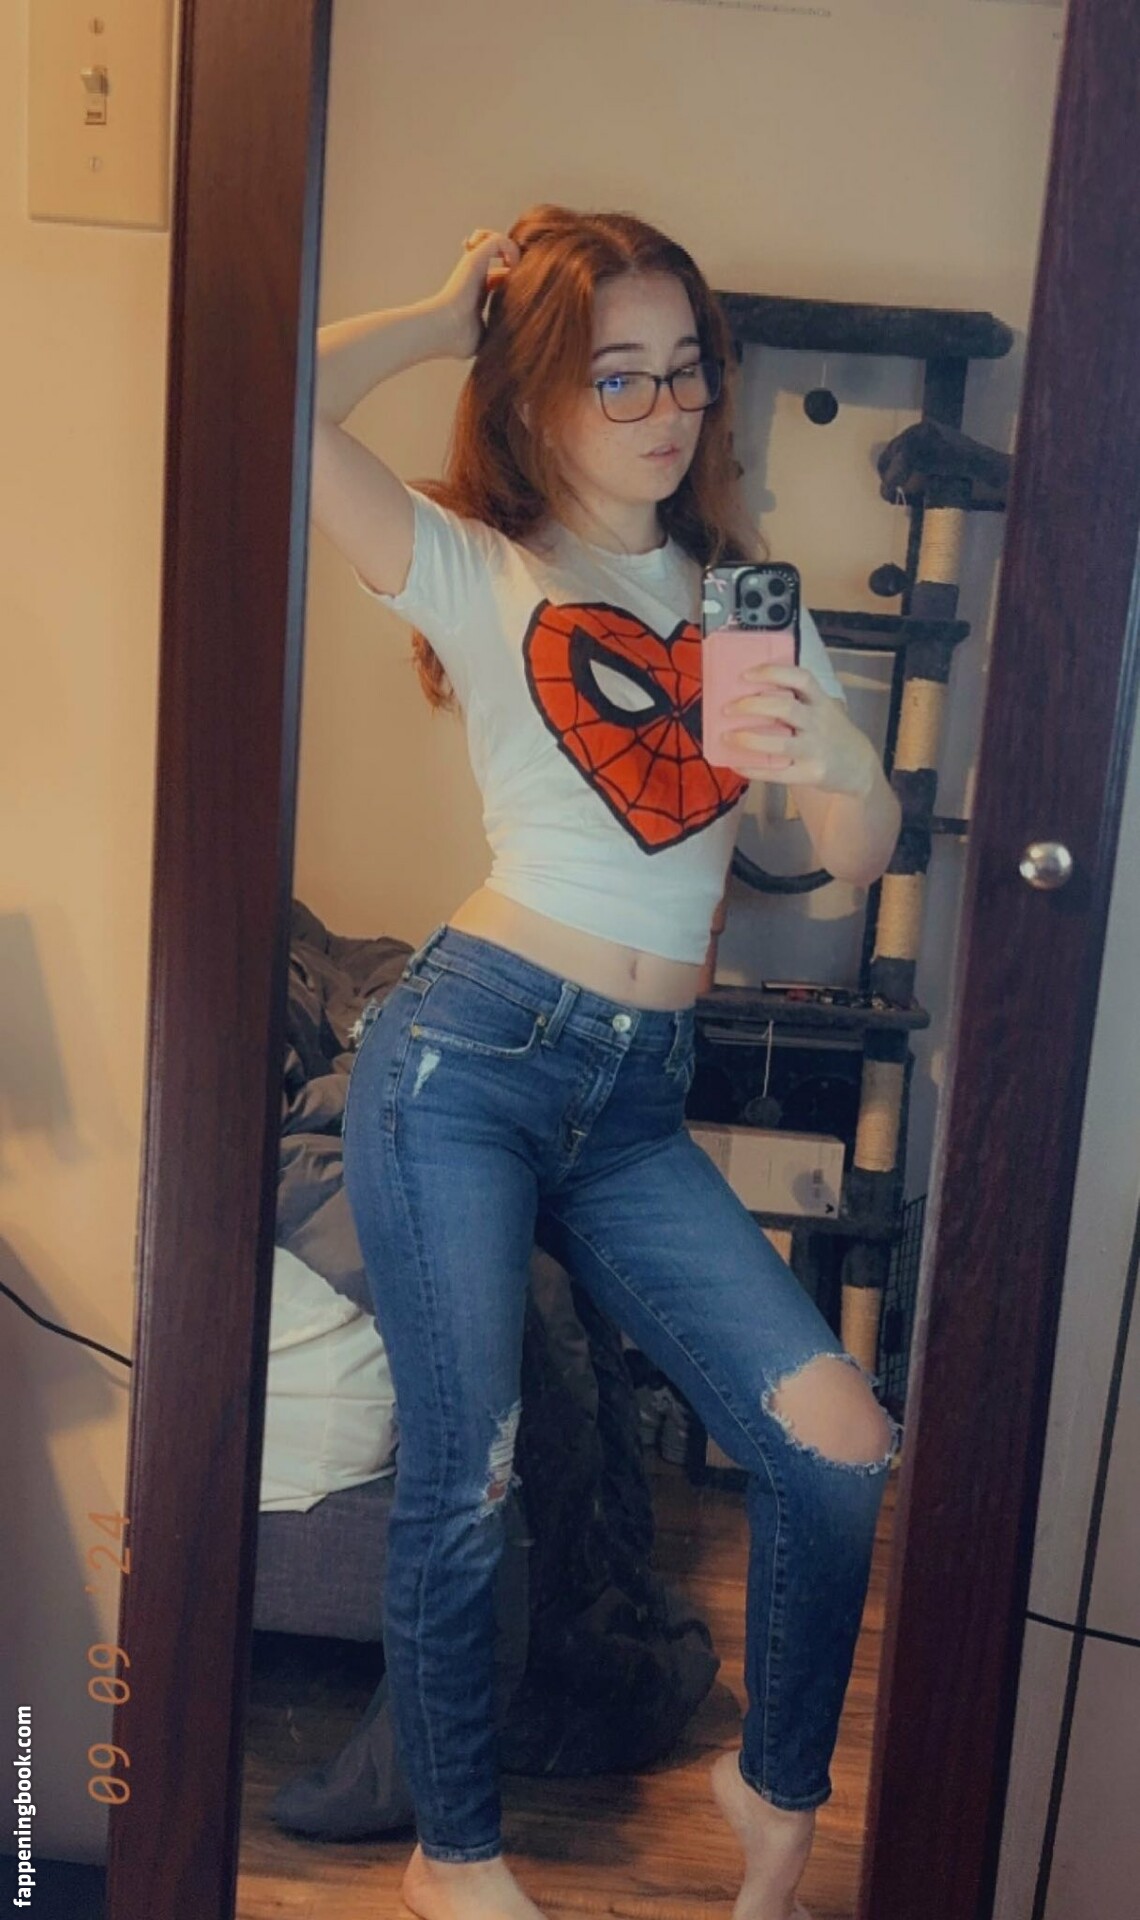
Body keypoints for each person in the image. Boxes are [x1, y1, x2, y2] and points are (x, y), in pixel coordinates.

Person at [311, 204, 902, 1920]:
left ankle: (770, 1786)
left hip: (637, 1098)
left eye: (685, 372)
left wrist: (834, 766)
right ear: (535, 396)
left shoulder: (740, 604)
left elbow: (859, 850)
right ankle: (454, 1860)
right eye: (613, 375)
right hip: (470, 1061)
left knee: (840, 1444)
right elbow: (264, 395)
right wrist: (445, 316)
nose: (662, 410)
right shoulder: (469, 566)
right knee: (469, 1472)